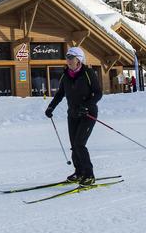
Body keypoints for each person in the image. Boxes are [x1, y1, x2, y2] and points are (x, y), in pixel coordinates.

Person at [44, 46, 103, 185]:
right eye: (67, 57)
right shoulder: (66, 75)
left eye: (71, 57)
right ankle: (79, 172)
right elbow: (60, 93)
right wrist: (51, 107)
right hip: (73, 114)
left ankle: (89, 174)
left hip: (88, 114)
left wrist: (86, 106)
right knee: (74, 145)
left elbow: (98, 93)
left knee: (79, 144)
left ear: (79, 59)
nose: (68, 60)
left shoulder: (88, 73)